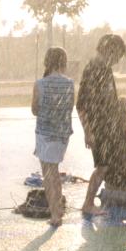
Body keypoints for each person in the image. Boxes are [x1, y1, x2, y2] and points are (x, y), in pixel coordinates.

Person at [76, 34, 126, 215]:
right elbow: (81, 105)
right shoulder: (93, 68)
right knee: (102, 167)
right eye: (118, 55)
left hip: (111, 127)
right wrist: (88, 132)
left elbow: (109, 102)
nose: (118, 60)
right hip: (100, 128)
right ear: (110, 50)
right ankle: (88, 203)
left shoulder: (105, 69)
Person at [31, 47, 74, 226]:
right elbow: (70, 107)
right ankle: (58, 210)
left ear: (47, 62)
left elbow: (34, 110)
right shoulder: (70, 83)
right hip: (62, 134)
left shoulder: (39, 84)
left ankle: (55, 214)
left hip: (45, 134)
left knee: (49, 175)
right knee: (54, 171)